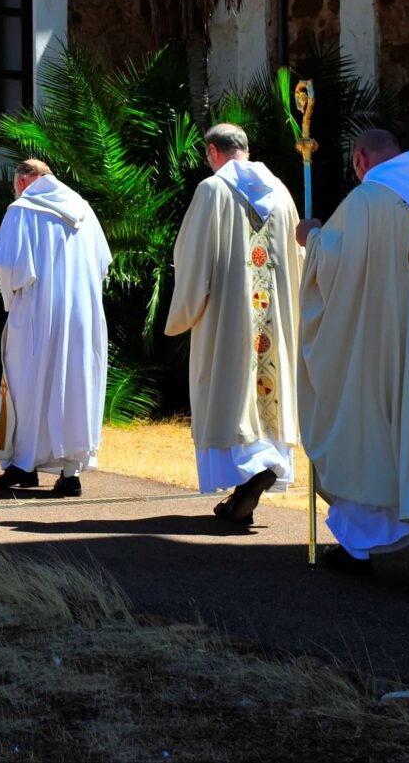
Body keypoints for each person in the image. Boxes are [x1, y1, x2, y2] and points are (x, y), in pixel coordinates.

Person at [297, 129, 409, 595]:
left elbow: (335, 267)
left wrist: (312, 237)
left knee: (369, 439)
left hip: (376, 347)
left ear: (360, 159)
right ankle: (393, 544)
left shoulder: (367, 201)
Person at [165, 124, 302, 526]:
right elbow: (297, 259)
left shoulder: (212, 191)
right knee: (264, 393)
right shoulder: (281, 193)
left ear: (213, 151)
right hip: (272, 323)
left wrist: (186, 307)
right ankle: (253, 479)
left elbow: (192, 256)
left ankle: (251, 472)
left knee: (228, 389)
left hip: (229, 318)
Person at [0, 159, 111, 497]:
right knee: (74, 386)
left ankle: (23, 464)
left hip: (37, 314)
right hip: (82, 314)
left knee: (26, 385)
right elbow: (102, 263)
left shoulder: (22, 209)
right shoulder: (83, 209)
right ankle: (69, 473)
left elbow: (7, 266)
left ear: (23, 182)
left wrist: (12, 300)